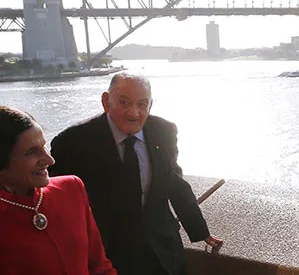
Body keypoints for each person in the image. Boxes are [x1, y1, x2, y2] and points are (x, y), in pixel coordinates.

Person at [49, 72, 223, 275]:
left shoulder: (163, 130)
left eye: (142, 104)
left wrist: (199, 230)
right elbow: (59, 201)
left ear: (150, 105)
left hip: (162, 250)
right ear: (106, 101)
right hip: (108, 253)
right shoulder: (72, 141)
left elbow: (174, 181)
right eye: (124, 102)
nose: (134, 112)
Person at [0, 106, 116, 275]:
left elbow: (100, 267)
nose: (49, 159)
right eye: (32, 152)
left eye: (44, 147)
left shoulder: (71, 189)